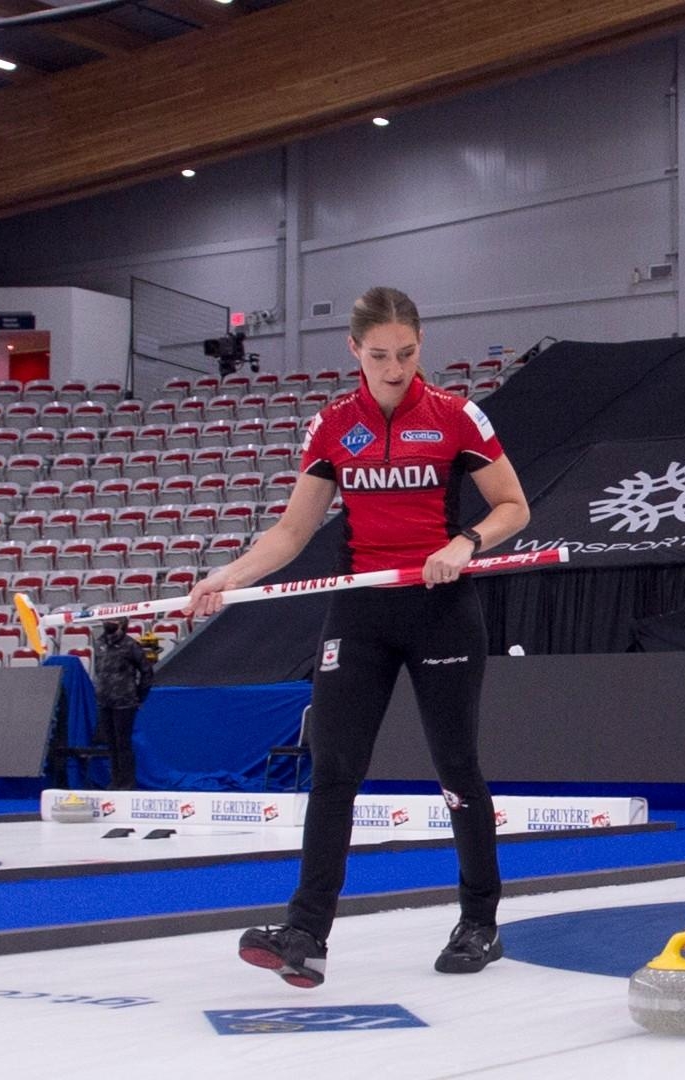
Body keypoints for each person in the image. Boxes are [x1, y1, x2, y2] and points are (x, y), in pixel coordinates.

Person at [185, 286, 531, 987]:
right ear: (355, 351)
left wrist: (466, 542)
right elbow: (291, 532)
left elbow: (513, 507)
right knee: (334, 771)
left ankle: (479, 921)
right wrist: (229, 575)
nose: (395, 368)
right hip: (358, 610)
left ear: (420, 346)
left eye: (406, 354)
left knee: (455, 768)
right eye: (380, 356)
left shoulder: (457, 417)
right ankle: (305, 934)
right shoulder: (333, 427)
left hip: (440, 608)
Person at [90, 617, 153, 791]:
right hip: (104, 700)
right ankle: (115, 781)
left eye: (113, 621)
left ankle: (127, 782)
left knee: (123, 743)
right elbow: (98, 669)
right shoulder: (99, 643)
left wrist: (139, 696)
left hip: (124, 701)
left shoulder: (130, 645)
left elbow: (147, 671)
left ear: (122, 625)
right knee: (111, 743)